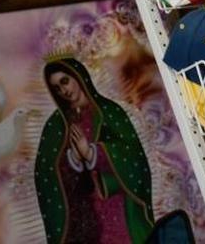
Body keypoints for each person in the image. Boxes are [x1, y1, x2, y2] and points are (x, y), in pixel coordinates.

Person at [35, 58, 156, 243]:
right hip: (84, 215)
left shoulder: (109, 112)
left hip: (117, 206)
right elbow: (45, 173)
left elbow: (132, 156)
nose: (63, 91)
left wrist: (92, 153)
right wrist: (71, 160)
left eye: (65, 81)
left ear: (78, 76)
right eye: (57, 88)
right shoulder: (56, 126)